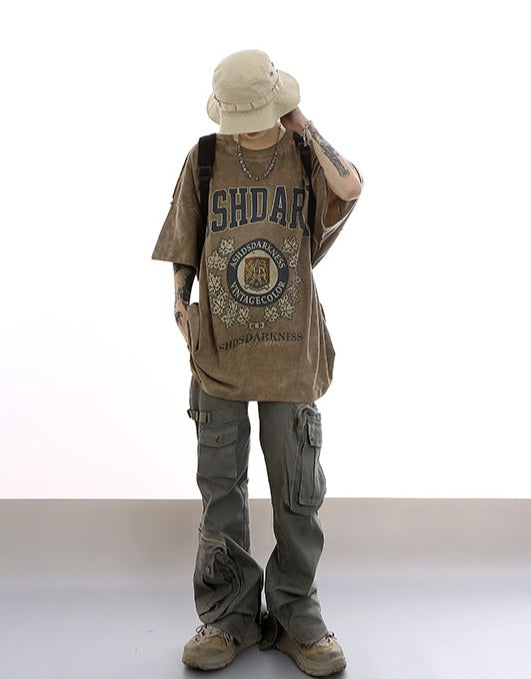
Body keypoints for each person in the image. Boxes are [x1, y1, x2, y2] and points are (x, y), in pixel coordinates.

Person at [151, 49, 363, 676]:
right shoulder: (205, 158)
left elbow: (351, 186)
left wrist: (303, 124)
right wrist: (181, 308)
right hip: (217, 351)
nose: (243, 127)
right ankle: (229, 616)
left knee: (297, 491)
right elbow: (184, 242)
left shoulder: (304, 155)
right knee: (220, 488)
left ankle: (298, 615)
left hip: (291, 354)